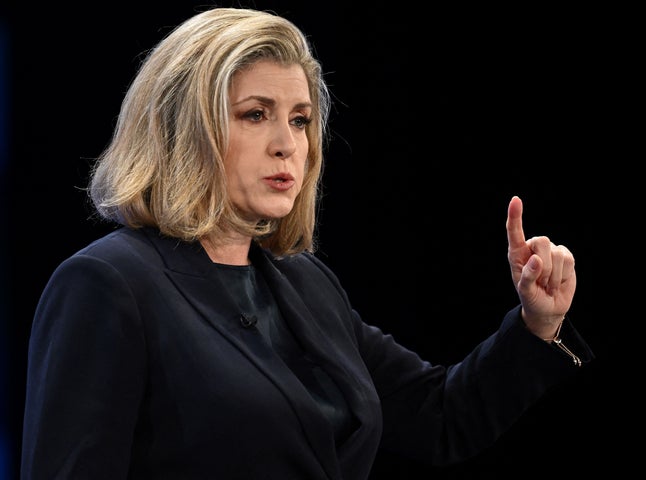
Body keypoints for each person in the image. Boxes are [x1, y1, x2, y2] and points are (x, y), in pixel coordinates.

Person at [21, 7, 594, 480]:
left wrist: (535, 324)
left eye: (299, 120)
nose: (287, 145)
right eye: (255, 115)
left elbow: (439, 417)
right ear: (184, 130)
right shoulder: (108, 284)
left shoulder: (304, 282)